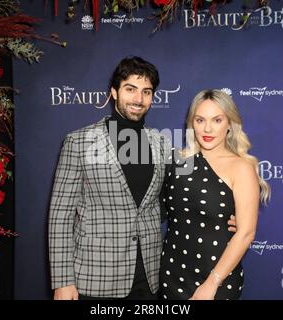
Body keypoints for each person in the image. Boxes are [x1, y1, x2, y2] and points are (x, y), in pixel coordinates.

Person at [48, 57, 237, 300]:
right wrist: (63, 281)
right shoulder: (79, 142)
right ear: (114, 92)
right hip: (94, 277)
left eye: (146, 92)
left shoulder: (161, 143)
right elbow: (60, 216)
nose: (138, 99)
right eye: (130, 89)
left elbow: (186, 194)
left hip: (150, 277)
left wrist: (228, 215)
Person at [160, 89, 270, 300]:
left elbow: (246, 233)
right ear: (192, 124)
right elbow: (156, 211)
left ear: (230, 124)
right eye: (200, 120)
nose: (207, 128)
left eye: (217, 120)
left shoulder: (241, 168)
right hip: (171, 276)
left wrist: (211, 284)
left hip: (217, 279)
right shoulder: (178, 163)